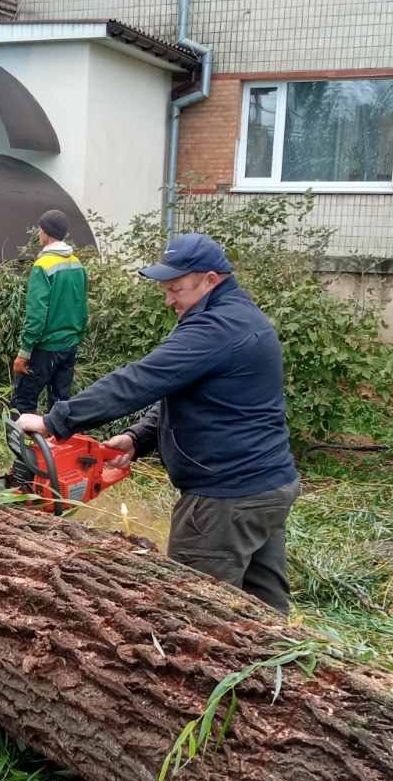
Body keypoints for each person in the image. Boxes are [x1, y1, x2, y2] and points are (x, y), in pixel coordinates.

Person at [16, 232, 301, 615]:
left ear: (210, 279)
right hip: (267, 487)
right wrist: (139, 437)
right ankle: (278, 674)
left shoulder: (215, 328)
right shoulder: (236, 317)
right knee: (265, 614)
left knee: (197, 617)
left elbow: (140, 380)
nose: (170, 300)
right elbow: (184, 389)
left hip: (225, 499)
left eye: (176, 289)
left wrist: (55, 420)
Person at [11, 209, 88, 417]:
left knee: (23, 403)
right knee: (60, 405)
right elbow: (82, 308)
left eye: (40, 229)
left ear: (45, 233)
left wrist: (24, 352)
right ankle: (55, 447)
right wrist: (75, 337)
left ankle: (26, 448)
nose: (38, 234)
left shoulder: (42, 266)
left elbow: (36, 315)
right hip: (69, 345)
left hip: (45, 348)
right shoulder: (77, 264)